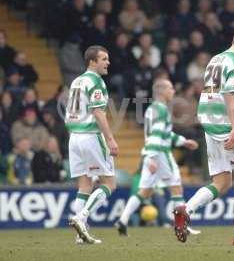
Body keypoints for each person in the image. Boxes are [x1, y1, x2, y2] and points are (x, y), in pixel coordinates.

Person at [173, 24, 234, 245]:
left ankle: (186, 209)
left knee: (222, 181)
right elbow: (230, 95)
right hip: (225, 122)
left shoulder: (216, 59)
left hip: (207, 120)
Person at [115, 79, 199, 235]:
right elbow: (157, 135)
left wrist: (183, 142)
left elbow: (164, 133)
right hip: (160, 153)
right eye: (171, 88)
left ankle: (123, 220)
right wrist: (153, 157)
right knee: (176, 188)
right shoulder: (161, 110)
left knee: (144, 192)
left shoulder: (152, 109)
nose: (173, 91)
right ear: (162, 91)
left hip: (150, 153)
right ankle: (182, 226)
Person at [65, 46, 119, 244]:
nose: (108, 62)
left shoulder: (77, 81)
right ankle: (82, 217)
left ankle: (80, 235)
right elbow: (98, 113)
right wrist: (111, 139)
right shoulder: (96, 81)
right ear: (92, 62)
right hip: (90, 136)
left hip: (74, 137)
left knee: (84, 185)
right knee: (109, 183)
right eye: (103, 59)